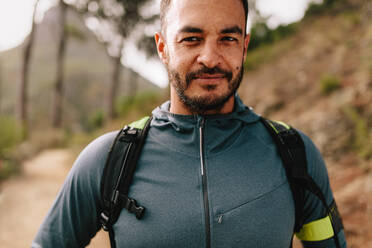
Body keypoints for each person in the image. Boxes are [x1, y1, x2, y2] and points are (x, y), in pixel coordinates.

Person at [33, 0, 347, 247]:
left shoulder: (295, 153)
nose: (210, 57)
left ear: (244, 46)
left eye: (227, 38)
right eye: (192, 39)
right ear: (163, 48)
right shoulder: (107, 159)